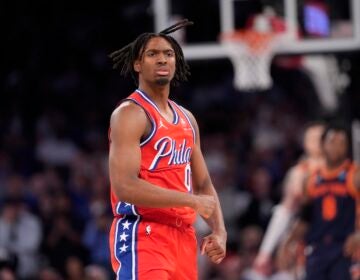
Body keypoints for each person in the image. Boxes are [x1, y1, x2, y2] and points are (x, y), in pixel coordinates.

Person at [107, 19, 227, 279]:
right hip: (143, 234)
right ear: (137, 64)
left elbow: (204, 183)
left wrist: (219, 231)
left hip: (183, 237)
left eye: (168, 54)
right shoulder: (130, 114)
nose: (162, 59)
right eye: (152, 54)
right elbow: (124, 187)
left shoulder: (187, 118)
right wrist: (190, 201)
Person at [279, 123, 360, 280]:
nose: (336, 147)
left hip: (344, 249)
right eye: (332, 142)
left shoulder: (354, 174)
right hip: (317, 248)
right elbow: (304, 217)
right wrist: (288, 242)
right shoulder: (311, 178)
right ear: (323, 145)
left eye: (341, 143)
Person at [254, 121, 325, 275]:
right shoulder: (299, 173)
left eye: (319, 138)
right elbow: (284, 212)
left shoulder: (347, 172)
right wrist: (266, 251)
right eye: (311, 138)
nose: (315, 142)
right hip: (307, 240)